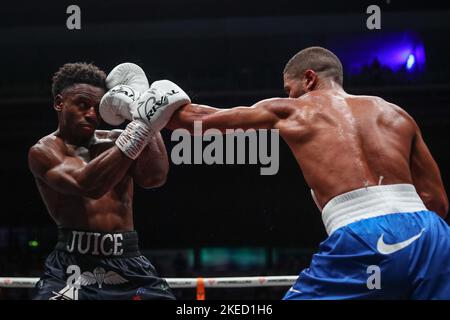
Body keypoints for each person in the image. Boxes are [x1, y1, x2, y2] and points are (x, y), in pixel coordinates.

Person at [163, 47, 449, 299]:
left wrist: (146, 104)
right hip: (434, 236)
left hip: (363, 234)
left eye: (290, 89)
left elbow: (198, 122)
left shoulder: (293, 110)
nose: (289, 95)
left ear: (309, 78)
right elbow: (437, 202)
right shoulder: (396, 114)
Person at [28, 62, 189, 300]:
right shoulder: (44, 151)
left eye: (97, 107)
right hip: (71, 266)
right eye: (82, 105)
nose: (91, 115)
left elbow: (154, 177)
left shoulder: (116, 140)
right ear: (59, 103)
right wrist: (140, 127)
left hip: (129, 262)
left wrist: (140, 107)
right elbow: (88, 185)